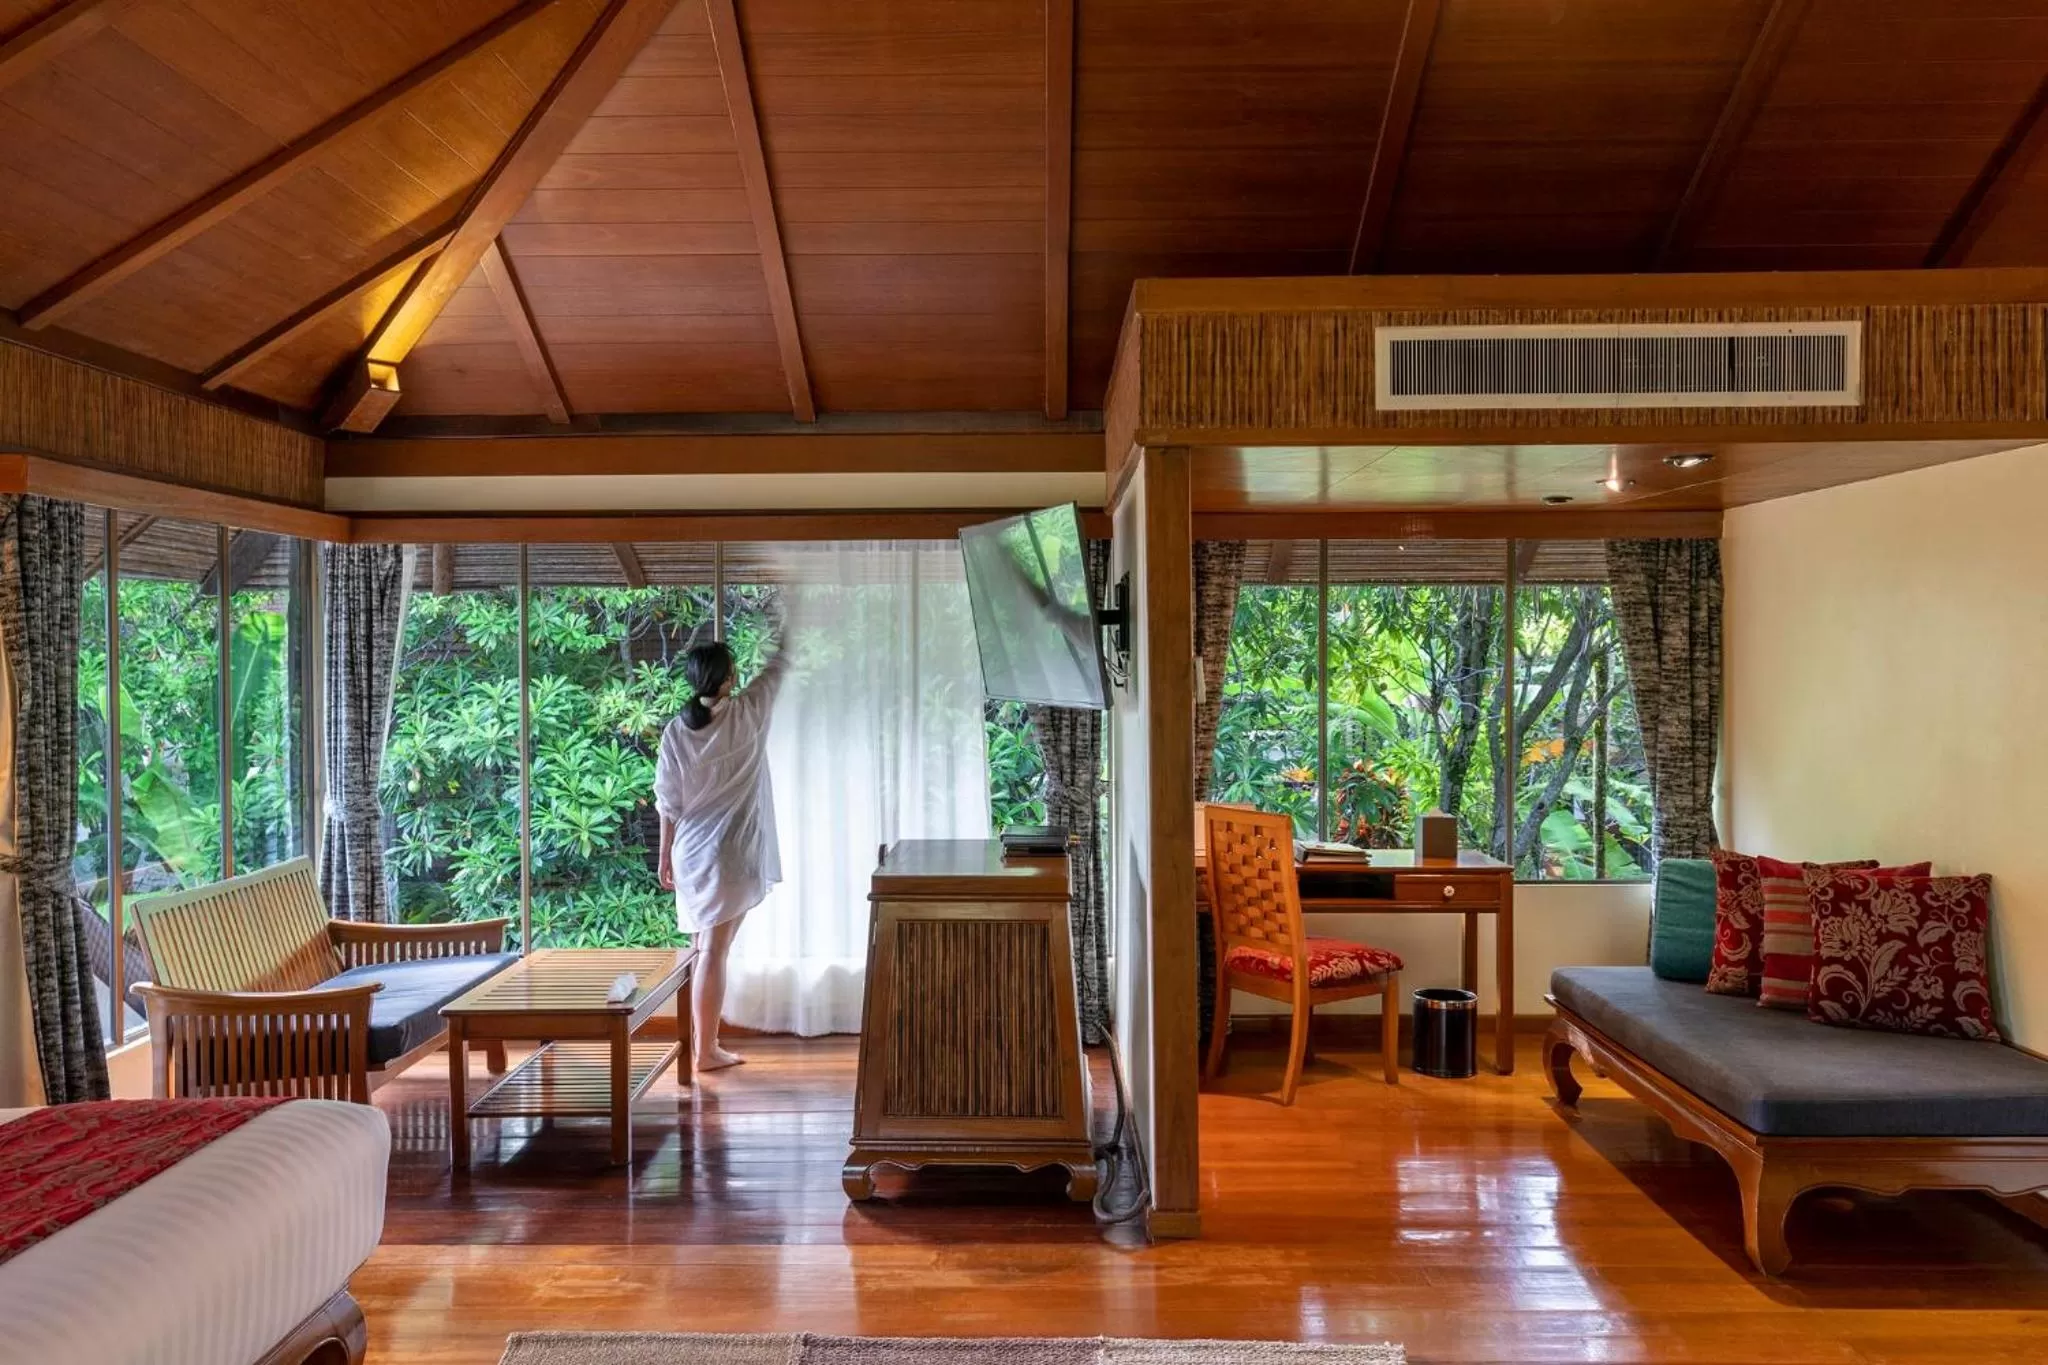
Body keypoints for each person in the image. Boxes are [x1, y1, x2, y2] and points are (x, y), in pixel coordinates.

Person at [654, 612, 792, 1072]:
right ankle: (705, 1051)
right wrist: (790, 617)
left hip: (691, 853)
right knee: (714, 951)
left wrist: (664, 857)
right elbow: (779, 665)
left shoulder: (677, 730)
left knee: (704, 949)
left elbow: (668, 803)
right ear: (729, 678)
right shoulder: (749, 712)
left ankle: (702, 1044)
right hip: (731, 854)